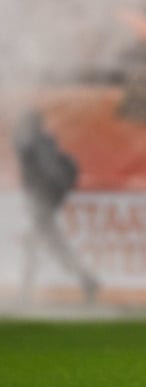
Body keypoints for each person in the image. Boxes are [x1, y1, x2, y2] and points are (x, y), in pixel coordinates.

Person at [13, 110, 98, 304]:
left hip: (41, 202)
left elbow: (49, 172)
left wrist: (47, 197)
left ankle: (26, 290)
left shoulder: (37, 144)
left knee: (37, 245)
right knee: (51, 246)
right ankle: (86, 279)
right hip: (40, 201)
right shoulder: (39, 143)